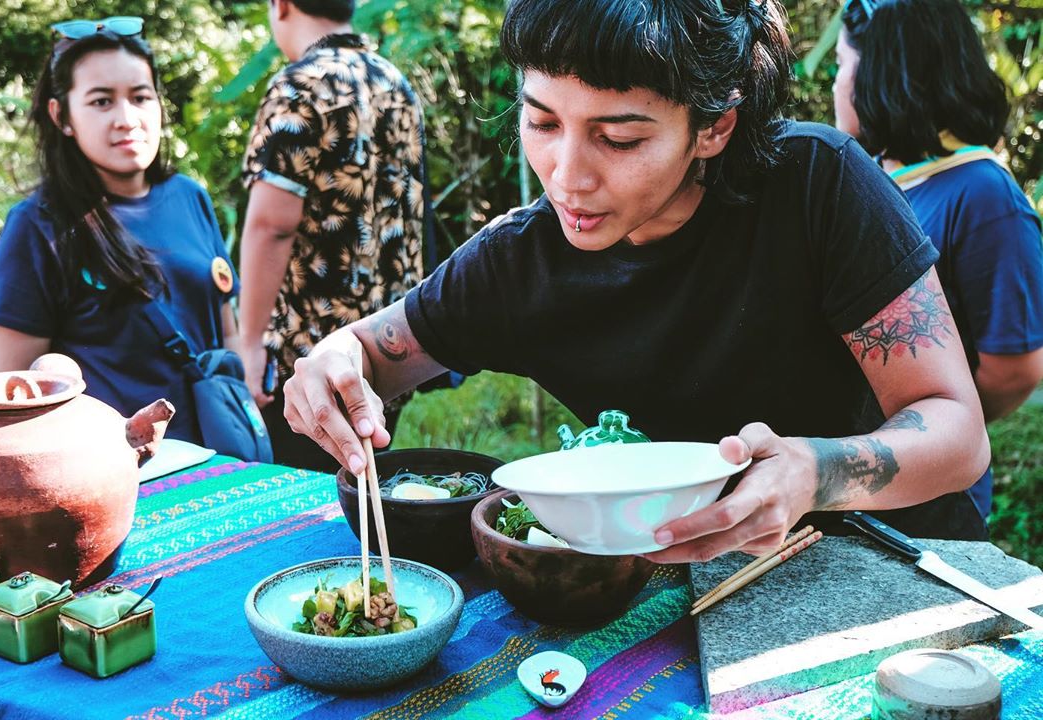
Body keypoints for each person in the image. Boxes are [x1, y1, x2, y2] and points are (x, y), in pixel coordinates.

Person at [283, 0, 991, 562]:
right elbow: (369, 353)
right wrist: (334, 364)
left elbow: (958, 434)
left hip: (897, 562)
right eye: (542, 122)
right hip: (685, 588)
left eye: (618, 138)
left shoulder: (817, 187)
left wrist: (816, 472)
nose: (567, 176)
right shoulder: (520, 261)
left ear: (713, 127)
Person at [0, 17, 239, 444]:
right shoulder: (38, 225)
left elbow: (227, 328)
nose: (127, 118)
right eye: (101, 101)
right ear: (62, 116)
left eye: (140, 97)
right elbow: (14, 391)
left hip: (221, 455)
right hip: (113, 465)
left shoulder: (189, 196)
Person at [834, 0, 1043, 521]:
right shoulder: (862, 178)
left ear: (881, 71)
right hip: (845, 489)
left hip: (928, 501)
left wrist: (933, 430)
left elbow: (1013, 370)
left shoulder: (983, 194)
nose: (837, 83)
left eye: (842, 64)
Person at [238, 0, 428, 471]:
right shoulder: (393, 81)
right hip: (388, 344)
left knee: (308, 493)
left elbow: (272, 224)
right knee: (363, 480)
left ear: (281, 5)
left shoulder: (300, 86)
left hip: (309, 356)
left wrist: (249, 341)